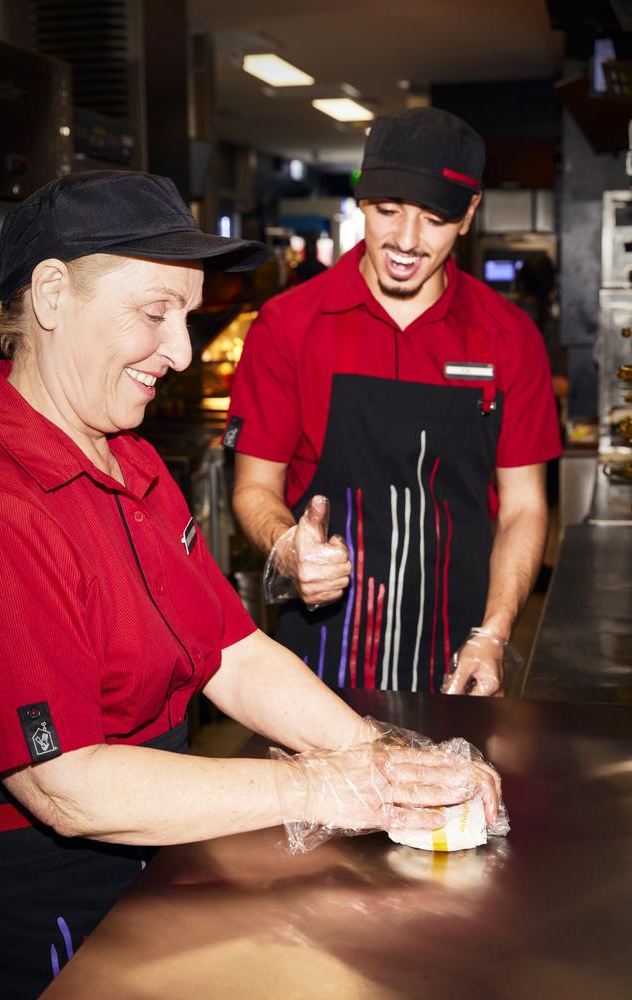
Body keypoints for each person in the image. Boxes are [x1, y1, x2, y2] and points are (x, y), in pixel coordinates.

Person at [0, 170, 503, 998]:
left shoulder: (133, 458)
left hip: (163, 851)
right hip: (50, 908)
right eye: (155, 313)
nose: (181, 352)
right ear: (50, 294)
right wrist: (324, 787)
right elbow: (68, 787)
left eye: (186, 318)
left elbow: (232, 651)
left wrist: (382, 759)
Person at [225, 107, 562, 697]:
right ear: (361, 200)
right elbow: (255, 486)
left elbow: (523, 508)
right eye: (387, 212)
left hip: (459, 658)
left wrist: (496, 634)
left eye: (434, 220)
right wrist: (286, 546)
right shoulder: (287, 326)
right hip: (316, 659)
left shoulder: (509, 337)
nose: (405, 243)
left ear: (469, 216)